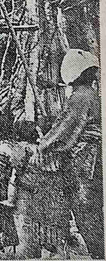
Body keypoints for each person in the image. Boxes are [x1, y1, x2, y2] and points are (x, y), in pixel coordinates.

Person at [28, 49, 103, 259]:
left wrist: (44, 144)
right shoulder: (91, 94)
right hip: (91, 157)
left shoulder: (80, 97)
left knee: (84, 209)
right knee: (89, 209)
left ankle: (99, 253)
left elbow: (64, 130)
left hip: (86, 159)